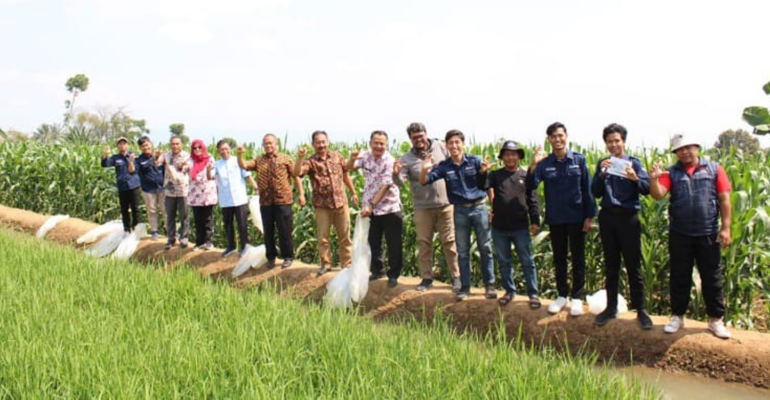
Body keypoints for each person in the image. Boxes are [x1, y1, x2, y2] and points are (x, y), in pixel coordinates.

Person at [649, 134, 733, 339]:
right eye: (680, 149)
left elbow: (724, 199)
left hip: (708, 233)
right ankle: (678, 316)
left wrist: (726, 228)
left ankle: (716, 320)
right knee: (679, 276)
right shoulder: (672, 172)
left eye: (688, 147)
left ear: (697, 147)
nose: (685, 152)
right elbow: (658, 194)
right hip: (680, 233)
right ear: (676, 153)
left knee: (712, 277)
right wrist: (653, 179)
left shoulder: (714, 169)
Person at [527, 122, 597, 316]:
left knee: (578, 258)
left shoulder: (579, 160)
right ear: (548, 140)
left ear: (566, 136)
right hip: (556, 218)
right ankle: (562, 295)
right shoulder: (545, 164)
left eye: (560, 135)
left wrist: (589, 216)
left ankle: (576, 297)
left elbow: (587, 189)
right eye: (553, 137)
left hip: (576, 217)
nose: (557, 139)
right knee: (559, 258)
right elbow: (531, 184)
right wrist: (534, 164)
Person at [420, 129, 496, 301]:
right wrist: (424, 169)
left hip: (479, 208)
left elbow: (488, 186)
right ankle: (465, 287)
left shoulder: (476, 161)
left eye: (457, 142)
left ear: (463, 144)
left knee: (485, 247)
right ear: (446, 146)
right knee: (462, 250)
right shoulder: (444, 167)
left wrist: (493, 207)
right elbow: (424, 181)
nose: (454, 146)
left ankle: (490, 285)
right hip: (459, 210)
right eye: (450, 143)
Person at [591, 124, 653, 329]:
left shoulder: (634, 163)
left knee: (633, 265)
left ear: (623, 142)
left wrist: (635, 179)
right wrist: (601, 173)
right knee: (611, 265)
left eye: (617, 140)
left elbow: (646, 189)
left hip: (629, 218)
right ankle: (611, 308)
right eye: (610, 141)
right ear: (606, 144)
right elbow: (596, 192)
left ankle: (641, 310)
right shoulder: (603, 163)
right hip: (608, 218)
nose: (613, 144)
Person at [393, 122, 460, 292]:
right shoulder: (406, 159)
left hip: (446, 204)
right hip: (423, 207)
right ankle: (426, 278)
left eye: (421, 136)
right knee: (424, 243)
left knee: (450, 242)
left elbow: (455, 163)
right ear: (410, 139)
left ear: (426, 134)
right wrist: (395, 173)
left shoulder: (440, 147)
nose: (418, 140)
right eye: (414, 138)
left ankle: (456, 277)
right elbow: (400, 182)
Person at [480, 140, 541, 309]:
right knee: (504, 261)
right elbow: (481, 186)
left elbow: (533, 199)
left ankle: (533, 294)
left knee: (527, 261)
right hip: (499, 227)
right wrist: (482, 173)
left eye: (514, 154)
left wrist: (535, 221)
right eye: (507, 154)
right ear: (502, 157)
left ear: (519, 157)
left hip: (520, 226)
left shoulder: (525, 176)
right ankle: (509, 291)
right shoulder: (495, 176)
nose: (510, 157)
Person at [294, 130, 359, 275]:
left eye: (323, 141)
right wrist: (299, 158)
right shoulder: (310, 161)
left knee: (345, 236)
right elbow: (297, 173)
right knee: (323, 237)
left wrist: (354, 192)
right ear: (313, 144)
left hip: (341, 202)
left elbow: (346, 171)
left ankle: (347, 264)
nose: (321, 145)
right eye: (318, 142)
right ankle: (326, 264)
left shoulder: (337, 156)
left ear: (328, 142)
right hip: (322, 205)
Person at [238, 134, 305, 268]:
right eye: (265, 143)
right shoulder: (259, 160)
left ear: (276, 144)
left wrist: (302, 194)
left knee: (284, 230)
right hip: (266, 201)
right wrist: (239, 155)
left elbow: (296, 175)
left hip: (283, 200)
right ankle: (271, 257)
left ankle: (288, 256)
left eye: (270, 143)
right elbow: (244, 166)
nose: (268, 146)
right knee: (268, 231)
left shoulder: (285, 158)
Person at [348, 130, 403, 288]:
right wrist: (352, 159)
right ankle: (378, 270)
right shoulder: (365, 156)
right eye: (376, 143)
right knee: (373, 241)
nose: (379, 146)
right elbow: (350, 168)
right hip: (370, 208)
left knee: (394, 242)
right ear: (370, 143)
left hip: (389, 207)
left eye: (382, 143)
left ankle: (393, 275)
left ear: (386, 145)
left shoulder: (389, 161)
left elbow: (386, 186)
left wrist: (371, 205)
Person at [212, 140, 258, 258]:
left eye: (227, 149)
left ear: (230, 149)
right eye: (222, 149)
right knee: (228, 224)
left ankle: (244, 247)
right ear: (218, 151)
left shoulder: (237, 161)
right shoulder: (216, 164)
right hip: (225, 199)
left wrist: (256, 188)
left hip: (239, 198)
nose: (225, 151)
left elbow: (247, 176)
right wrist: (208, 170)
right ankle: (231, 246)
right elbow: (210, 176)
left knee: (242, 224)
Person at [154, 135, 191, 250]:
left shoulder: (187, 156)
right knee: (170, 216)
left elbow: (185, 169)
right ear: (170, 144)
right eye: (173, 144)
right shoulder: (166, 155)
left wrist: (178, 166)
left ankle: (184, 239)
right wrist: (156, 156)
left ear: (181, 144)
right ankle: (171, 239)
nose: (175, 146)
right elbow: (156, 164)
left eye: (177, 144)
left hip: (183, 190)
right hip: (169, 191)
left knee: (184, 216)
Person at [102, 136, 141, 233]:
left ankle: (136, 229)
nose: (122, 145)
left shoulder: (134, 156)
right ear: (118, 146)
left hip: (134, 185)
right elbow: (105, 164)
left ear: (127, 145)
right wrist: (105, 155)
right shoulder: (115, 158)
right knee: (124, 209)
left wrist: (131, 161)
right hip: (122, 187)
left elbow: (133, 171)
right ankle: (126, 229)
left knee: (135, 208)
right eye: (120, 144)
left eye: (124, 143)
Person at [129, 136, 164, 240]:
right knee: (152, 211)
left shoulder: (161, 156)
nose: (145, 147)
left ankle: (171, 231)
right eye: (143, 146)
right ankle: (154, 231)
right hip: (148, 189)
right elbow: (132, 171)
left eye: (147, 144)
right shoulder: (139, 160)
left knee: (166, 210)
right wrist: (131, 161)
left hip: (162, 187)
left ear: (151, 144)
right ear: (140, 148)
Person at [188, 139, 217, 251]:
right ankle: (199, 242)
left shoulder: (210, 159)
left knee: (207, 218)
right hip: (195, 194)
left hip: (207, 193)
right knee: (197, 218)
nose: (197, 150)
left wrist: (208, 171)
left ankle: (209, 242)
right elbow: (186, 172)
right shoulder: (190, 160)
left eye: (199, 147)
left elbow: (211, 176)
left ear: (203, 147)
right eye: (194, 148)